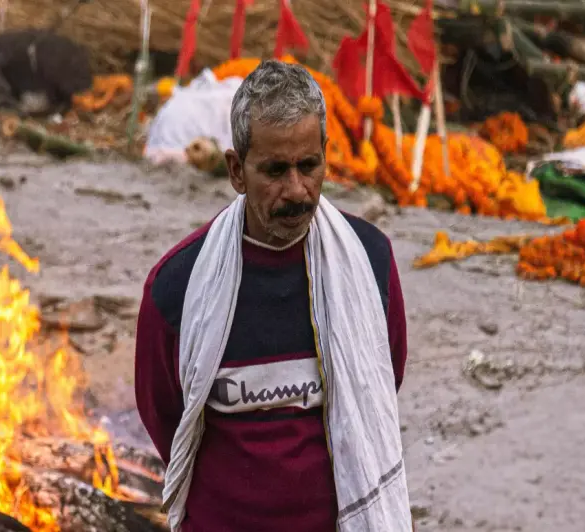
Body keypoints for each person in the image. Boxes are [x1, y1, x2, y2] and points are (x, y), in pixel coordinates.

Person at [134, 60, 411, 532]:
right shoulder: (179, 288)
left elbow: (385, 375)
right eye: (275, 170)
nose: (297, 190)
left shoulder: (369, 264)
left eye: (309, 166)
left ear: (326, 156)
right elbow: (165, 416)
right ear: (236, 171)